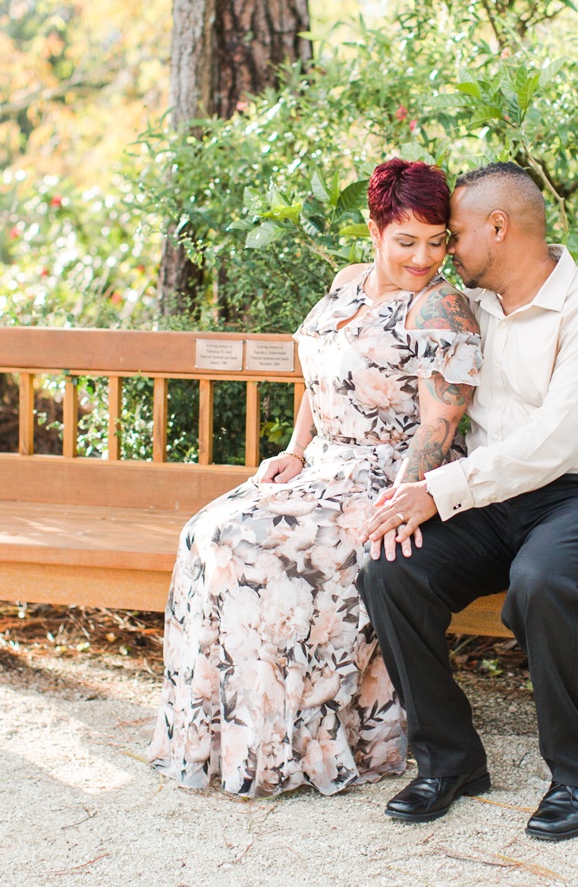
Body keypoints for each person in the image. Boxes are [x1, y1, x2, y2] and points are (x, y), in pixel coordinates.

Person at [147, 158, 483, 799]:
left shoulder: (442, 307)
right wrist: (296, 450)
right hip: (323, 464)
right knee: (204, 534)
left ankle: (298, 747)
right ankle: (224, 740)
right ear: (374, 229)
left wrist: (406, 500)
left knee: (254, 548)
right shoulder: (347, 282)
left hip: (391, 476)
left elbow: (439, 427)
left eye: (438, 241)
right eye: (407, 241)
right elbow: (321, 377)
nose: (424, 257)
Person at [355, 160, 578, 841]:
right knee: (390, 568)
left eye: (454, 234)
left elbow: (556, 443)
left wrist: (437, 491)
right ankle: (451, 761)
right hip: (500, 501)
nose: (444, 250)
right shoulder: (474, 310)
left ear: (499, 226)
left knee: (543, 578)